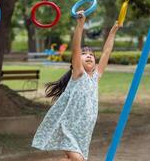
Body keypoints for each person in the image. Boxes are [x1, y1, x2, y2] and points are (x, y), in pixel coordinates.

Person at [31, 10, 122, 161]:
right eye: (85, 53)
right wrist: (80, 25)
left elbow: (106, 52)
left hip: (83, 131)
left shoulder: (95, 77)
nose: (89, 56)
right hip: (67, 126)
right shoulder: (79, 74)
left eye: (92, 54)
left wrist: (113, 32)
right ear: (77, 61)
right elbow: (75, 49)